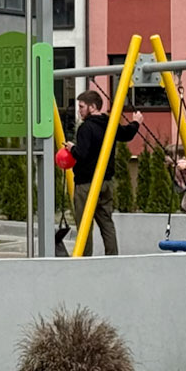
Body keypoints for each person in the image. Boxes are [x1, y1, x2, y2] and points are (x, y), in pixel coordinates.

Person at [65, 89, 140, 255]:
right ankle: (112, 256)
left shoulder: (86, 128)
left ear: (92, 107)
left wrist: (72, 148)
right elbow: (126, 134)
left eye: (82, 107)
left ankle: (84, 259)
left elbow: (82, 154)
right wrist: (136, 122)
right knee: (106, 222)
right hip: (105, 182)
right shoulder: (109, 124)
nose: (79, 111)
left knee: (84, 224)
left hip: (86, 183)